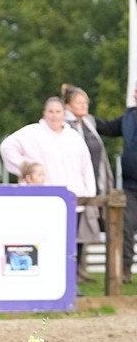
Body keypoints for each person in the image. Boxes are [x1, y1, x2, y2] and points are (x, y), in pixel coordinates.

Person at [0, 97, 96, 286]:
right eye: (50, 111)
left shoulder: (74, 137)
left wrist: (88, 195)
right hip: (43, 200)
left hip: (72, 200)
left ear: (64, 114)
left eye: (58, 111)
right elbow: (6, 147)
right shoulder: (32, 132)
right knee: (44, 242)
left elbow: (86, 167)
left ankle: (69, 284)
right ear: (44, 113)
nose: (54, 115)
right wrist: (25, 168)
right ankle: (42, 283)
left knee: (70, 246)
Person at [62, 85, 114, 282]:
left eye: (86, 102)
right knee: (73, 226)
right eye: (79, 102)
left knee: (86, 225)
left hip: (94, 179)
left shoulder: (90, 123)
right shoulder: (65, 125)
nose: (84, 106)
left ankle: (79, 268)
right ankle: (71, 269)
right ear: (68, 106)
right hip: (74, 181)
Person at [95, 85, 137, 284]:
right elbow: (108, 127)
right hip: (131, 186)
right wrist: (84, 116)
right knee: (126, 228)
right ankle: (125, 269)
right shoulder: (128, 117)